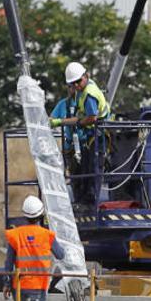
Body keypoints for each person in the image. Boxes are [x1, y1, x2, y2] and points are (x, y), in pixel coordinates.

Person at [3, 195, 66, 301]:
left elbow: (8, 263)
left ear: (25, 215)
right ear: (41, 215)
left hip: (19, 287)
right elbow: (61, 254)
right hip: (38, 287)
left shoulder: (15, 234)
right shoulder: (47, 235)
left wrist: (6, 284)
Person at [50, 61, 110, 205]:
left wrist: (74, 122)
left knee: (93, 167)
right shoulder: (79, 94)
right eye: (72, 84)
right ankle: (83, 200)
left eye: (78, 82)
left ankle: (90, 200)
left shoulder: (89, 94)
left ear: (86, 76)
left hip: (98, 136)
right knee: (85, 169)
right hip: (87, 139)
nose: (76, 86)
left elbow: (91, 118)